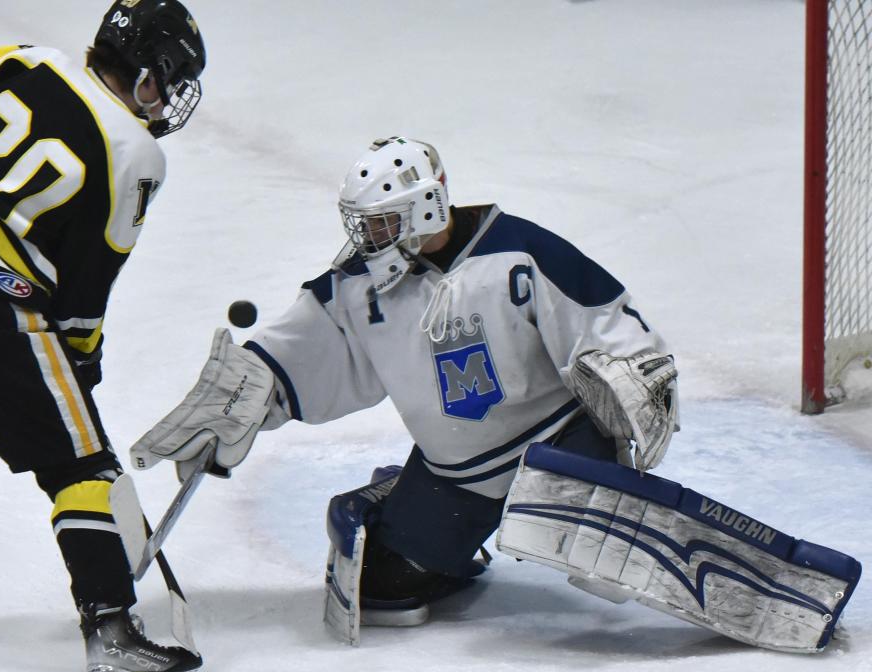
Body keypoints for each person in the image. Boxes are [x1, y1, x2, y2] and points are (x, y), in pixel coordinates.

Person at [129, 136, 681, 639]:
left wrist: (634, 373)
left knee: (609, 573)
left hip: (559, 450)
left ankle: (605, 510)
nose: (367, 240)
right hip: (459, 477)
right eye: (363, 225)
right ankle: (412, 506)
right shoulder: (358, 287)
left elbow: (606, 317)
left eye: (381, 224)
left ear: (427, 207)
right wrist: (249, 387)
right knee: (383, 587)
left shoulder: (519, 254)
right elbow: (301, 349)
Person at [0, 0, 207, 672]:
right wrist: (79, 359)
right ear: (148, 76)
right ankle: (116, 643)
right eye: (170, 81)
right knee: (81, 461)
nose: (167, 99)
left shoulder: (29, 64)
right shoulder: (138, 154)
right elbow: (86, 278)